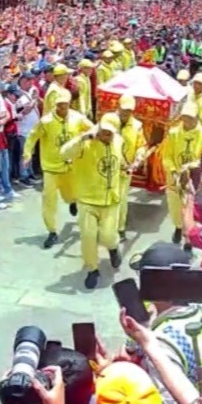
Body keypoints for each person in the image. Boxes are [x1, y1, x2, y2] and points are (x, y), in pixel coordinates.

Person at [60, 117, 125, 289]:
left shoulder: (118, 141)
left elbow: (121, 160)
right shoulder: (85, 143)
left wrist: (127, 166)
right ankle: (92, 269)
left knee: (108, 236)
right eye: (104, 131)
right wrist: (81, 138)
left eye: (110, 133)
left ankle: (113, 248)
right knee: (88, 236)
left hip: (111, 199)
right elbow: (64, 153)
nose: (106, 135)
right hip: (87, 200)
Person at [23, 91, 90, 250]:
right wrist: (27, 154)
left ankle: (72, 202)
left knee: (73, 193)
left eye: (65, 105)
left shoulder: (77, 118)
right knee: (49, 201)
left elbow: (92, 130)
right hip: (51, 167)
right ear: (56, 105)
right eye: (60, 105)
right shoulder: (46, 121)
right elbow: (32, 137)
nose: (63, 108)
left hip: (71, 166)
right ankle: (52, 231)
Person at [161, 102, 202, 245]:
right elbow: (167, 156)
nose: (186, 121)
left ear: (196, 117)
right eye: (184, 117)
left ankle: (189, 238)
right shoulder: (173, 133)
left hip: (194, 180)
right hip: (175, 178)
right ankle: (178, 227)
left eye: (190, 117)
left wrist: (190, 168)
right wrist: (174, 172)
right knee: (175, 207)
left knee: (191, 209)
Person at [112, 96, 147, 241]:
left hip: (126, 169)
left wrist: (138, 158)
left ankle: (119, 229)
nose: (125, 113)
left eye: (129, 110)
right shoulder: (109, 121)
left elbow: (141, 145)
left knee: (121, 199)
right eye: (123, 109)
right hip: (108, 167)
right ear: (118, 107)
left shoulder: (137, 126)